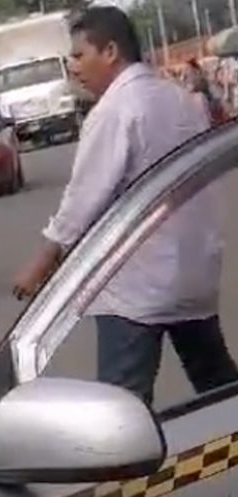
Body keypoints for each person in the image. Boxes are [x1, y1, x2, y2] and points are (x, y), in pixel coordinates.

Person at [12, 6, 238, 406]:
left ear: (111, 51)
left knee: (122, 408)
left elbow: (82, 201)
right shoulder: (183, 100)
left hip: (136, 286)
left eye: (80, 55)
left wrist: (41, 263)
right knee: (220, 388)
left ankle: (122, 471)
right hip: (193, 274)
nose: (73, 66)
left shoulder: (116, 110)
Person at [182, 58, 229, 126]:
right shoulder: (192, 78)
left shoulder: (199, 77)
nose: (186, 71)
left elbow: (199, 86)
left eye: (188, 68)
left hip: (208, 102)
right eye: (186, 69)